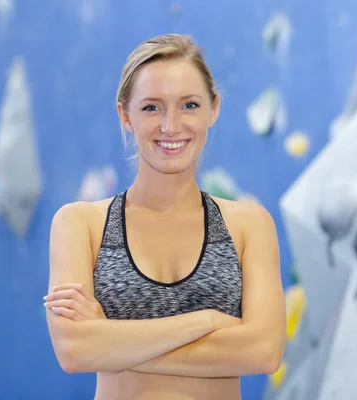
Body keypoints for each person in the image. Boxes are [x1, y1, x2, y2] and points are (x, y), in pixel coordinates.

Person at [44, 33, 286, 400]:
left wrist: (112, 342)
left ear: (214, 108)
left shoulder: (249, 225)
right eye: (151, 107)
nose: (171, 126)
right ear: (125, 115)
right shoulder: (81, 225)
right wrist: (207, 322)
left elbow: (264, 351)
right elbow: (74, 351)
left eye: (189, 105)